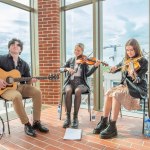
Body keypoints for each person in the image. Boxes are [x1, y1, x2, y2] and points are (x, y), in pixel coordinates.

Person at [93, 38, 148, 139]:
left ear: (136, 49)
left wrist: (134, 75)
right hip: (125, 86)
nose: (129, 52)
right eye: (127, 50)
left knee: (116, 94)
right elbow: (116, 67)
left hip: (137, 88)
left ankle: (113, 126)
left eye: (131, 50)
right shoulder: (125, 60)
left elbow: (139, 79)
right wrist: (112, 69)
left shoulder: (143, 61)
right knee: (108, 92)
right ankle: (104, 121)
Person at [0, 38, 49, 137]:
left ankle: (36, 122)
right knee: (17, 96)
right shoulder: (1, 58)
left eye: (18, 45)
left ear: (20, 50)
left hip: (20, 86)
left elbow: (27, 81)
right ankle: (27, 124)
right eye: (12, 44)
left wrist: (31, 80)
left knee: (37, 92)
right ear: (9, 47)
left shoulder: (24, 64)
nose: (15, 45)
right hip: (6, 89)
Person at [60, 43, 101, 128]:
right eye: (75, 50)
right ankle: (68, 118)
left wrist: (95, 66)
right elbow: (60, 69)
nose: (76, 51)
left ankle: (75, 118)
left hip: (81, 83)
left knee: (78, 91)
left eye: (78, 50)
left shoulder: (84, 62)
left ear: (82, 51)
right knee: (68, 91)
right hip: (70, 82)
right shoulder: (71, 60)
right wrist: (67, 69)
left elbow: (88, 74)